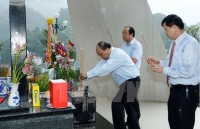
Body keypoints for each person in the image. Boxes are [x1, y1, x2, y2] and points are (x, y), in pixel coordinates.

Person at [147, 14, 200, 129]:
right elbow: (171, 63)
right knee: (174, 121)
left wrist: (164, 70)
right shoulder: (175, 43)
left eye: (166, 29)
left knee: (183, 123)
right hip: (175, 89)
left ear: (174, 27)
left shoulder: (190, 43)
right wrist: (159, 62)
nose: (165, 33)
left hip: (186, 90)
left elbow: (188, 71)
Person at [80, 41, 141, 129]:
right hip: (129, 82)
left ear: (107, 49)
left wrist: (87, 74)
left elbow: (105, 69)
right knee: (130, 108)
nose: (101, 56)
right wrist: (86, 76)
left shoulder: (117, 54)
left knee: (117, 104)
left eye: (101, 54)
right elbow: (99, 67)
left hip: (131, 81)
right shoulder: (107, 57)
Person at [121, 26, 143, 127]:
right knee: (132, 101)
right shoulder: (123, 45)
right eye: (122, 32)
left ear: (131, 34)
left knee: (130, 102)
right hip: (125, 77)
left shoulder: (136, 45)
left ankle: (134, 124)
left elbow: (134, 59)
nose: (123, 34)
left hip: (132, 77)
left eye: (125, 32)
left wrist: (120, 61)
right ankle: (133, 120)